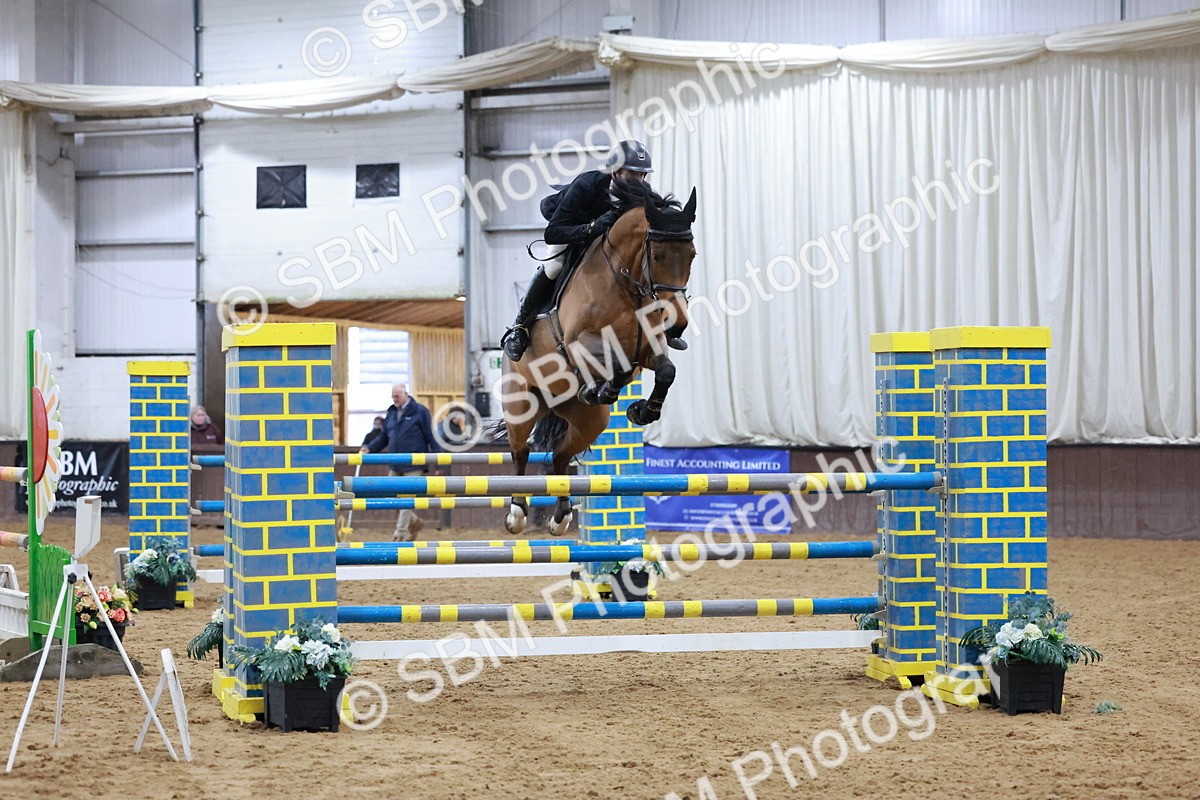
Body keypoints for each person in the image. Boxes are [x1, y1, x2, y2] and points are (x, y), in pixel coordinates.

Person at [500, 140, 687, 362]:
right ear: (615, 172)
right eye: (632, 174)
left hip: (606, 241)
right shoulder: (587, 185)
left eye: (641, 175)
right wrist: (591, 228)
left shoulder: (645, 192)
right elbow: (553, 232)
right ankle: (520, 327)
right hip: (570, 227)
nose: (638, 181)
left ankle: (660, 324)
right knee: (554, 267)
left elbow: (660, 218)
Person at [361, 384, 438, 541]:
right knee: (389, 496)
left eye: (397, 396)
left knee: (406, 500)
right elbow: (384, 437)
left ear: (406, 394)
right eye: (393, 397)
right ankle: (414, 522)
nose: (394, 399)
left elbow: (431, 436)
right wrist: (369, 448)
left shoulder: (420, 411)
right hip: (395, 462)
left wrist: (438, 462)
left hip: (414, 463)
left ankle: (400, 534)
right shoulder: (391, 412)